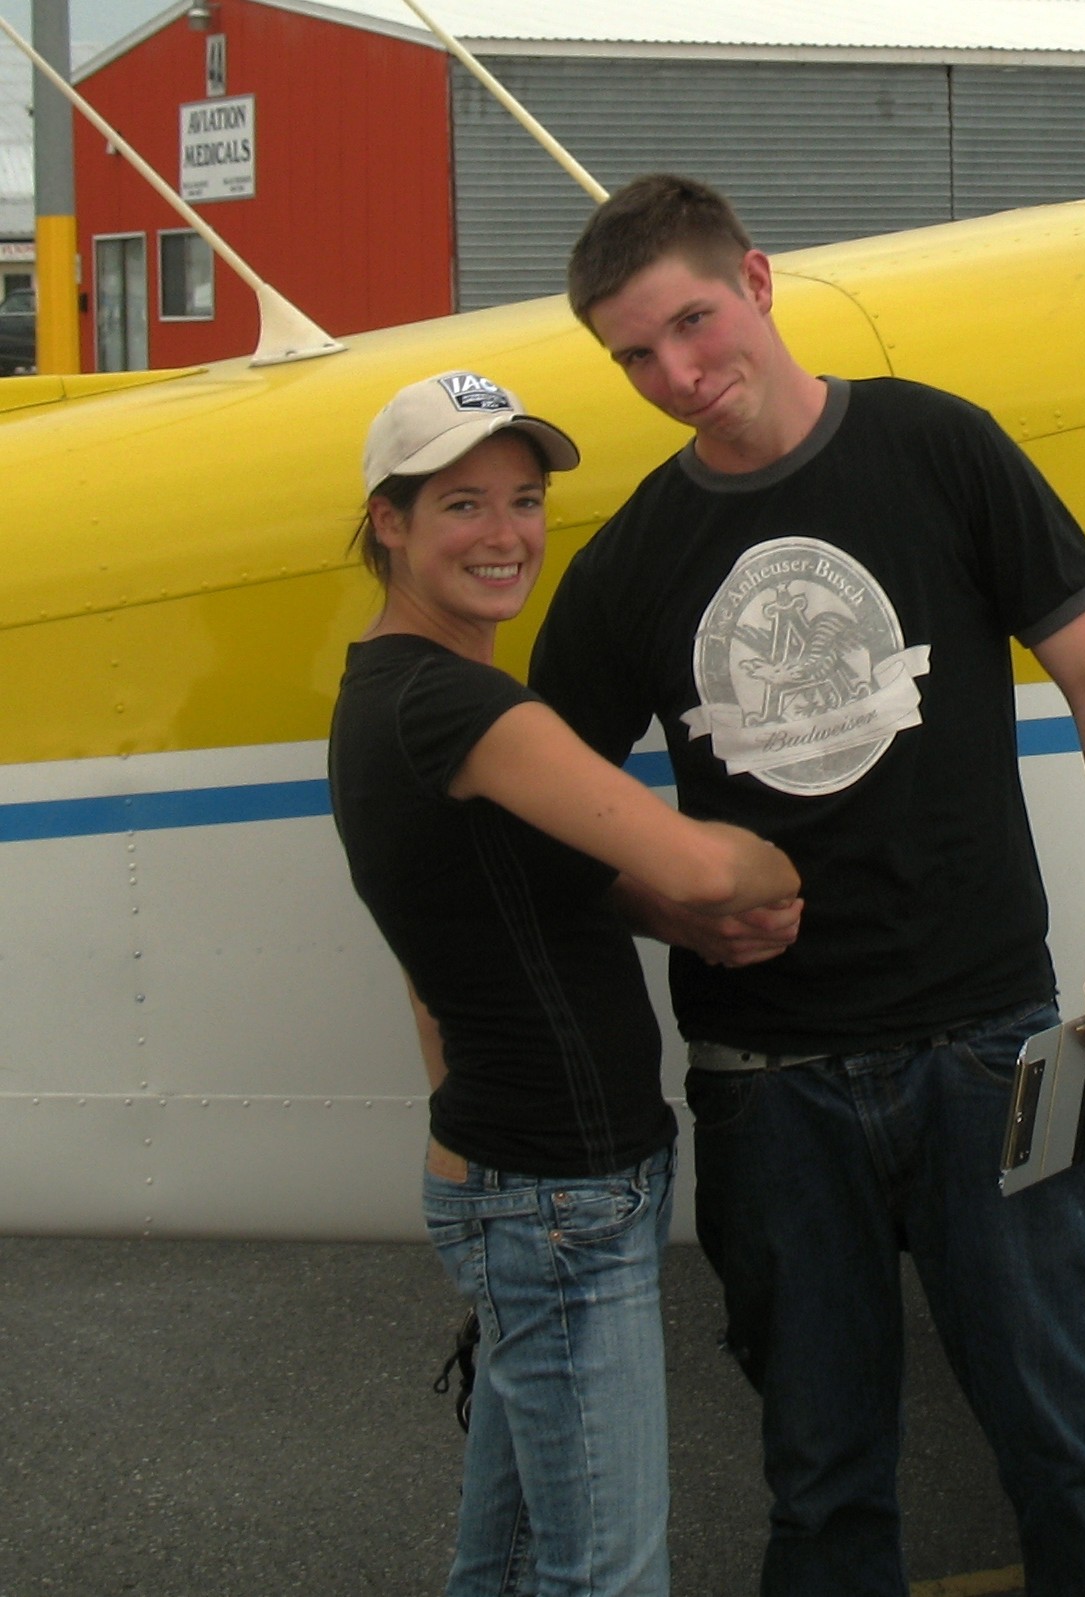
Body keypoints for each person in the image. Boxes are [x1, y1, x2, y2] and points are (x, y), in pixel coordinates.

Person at [530, 176, 1085, 1597]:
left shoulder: (936, 445)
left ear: (758, 282)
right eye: (634, 356)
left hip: (991, 1047)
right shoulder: (634, 555)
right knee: (823, 1489)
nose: (678, 377)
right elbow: (544, 821)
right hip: (769, 1085)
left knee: (1070, 1452)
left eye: (693, 324)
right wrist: (668, 904)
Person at [326, 369, 799, 1597]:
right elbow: (708, 871)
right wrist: (786, 843)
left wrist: (655, 907)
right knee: (605, 1572)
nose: (505, 535)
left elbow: (497, 908)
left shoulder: (384, 691)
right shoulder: (461, 705)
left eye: (524, 500)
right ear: (390, 522)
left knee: (513, 1557)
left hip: (520, 1177)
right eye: (462, 506)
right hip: (554, 1193)